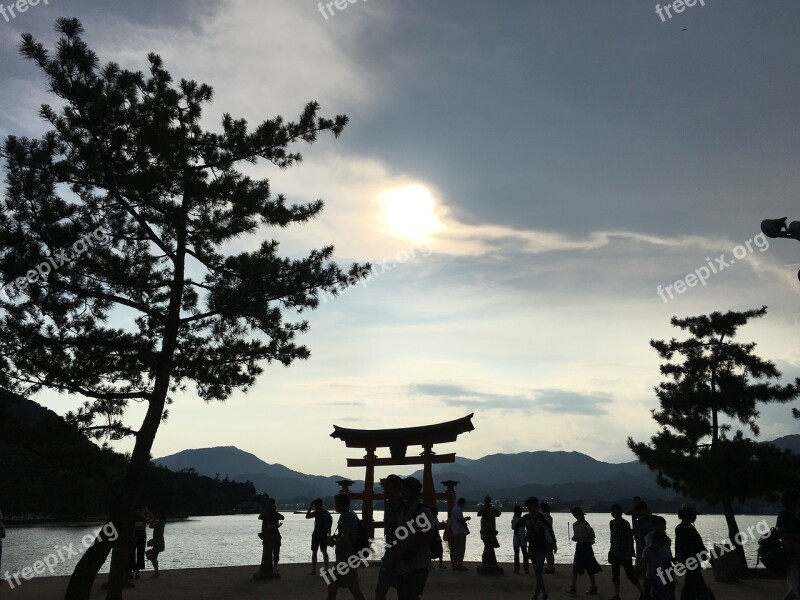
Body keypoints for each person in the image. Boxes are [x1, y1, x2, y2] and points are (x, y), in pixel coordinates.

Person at [394, 477, 434, 600]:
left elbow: (429, 535)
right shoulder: (403, 510)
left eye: (403, 489)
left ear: (411, 491)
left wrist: (413, 550)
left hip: (418, 562)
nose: (401, 492)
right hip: (403, 560)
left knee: (409, 594)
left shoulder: (423, 511)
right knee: (402, 594)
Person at [326, 493, 367, 600]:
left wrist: (333, 543)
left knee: (354, 589)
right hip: (346, 558)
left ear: (340, 504)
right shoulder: (351, 514)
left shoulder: (345, 517)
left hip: (347, 559)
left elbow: (344, 539)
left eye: (335, 503)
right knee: (332, 586)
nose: (334, 506)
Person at [608, 503, 644, 600]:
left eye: (615, 511)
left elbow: (629, 538)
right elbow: (612, 538)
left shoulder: (625, 524)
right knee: (615, 574)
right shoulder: (612, 523)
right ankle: (617, 595)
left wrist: (629, 551)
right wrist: (610, 551)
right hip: (614, 551)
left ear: (620, 512)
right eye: (612, 512)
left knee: (630, 574)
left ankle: (642, 591)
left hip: (624, 552)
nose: (613, 513)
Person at [674, 503, 710, 600]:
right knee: (698, 586)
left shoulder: (690, 527)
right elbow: (679, 545)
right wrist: (680, 559)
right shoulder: (681, 528)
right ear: (687, 515)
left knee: (691, 587)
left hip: (694, 560)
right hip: (689, 561)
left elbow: (699, 544)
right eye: (694, 515)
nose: (695, 517)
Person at [376, 474, 403, 600]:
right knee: (380, 591)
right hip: (390, 551)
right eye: (384, 488)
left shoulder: (404, 508)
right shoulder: (388, 504)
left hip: (401, 554)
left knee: (405, 593)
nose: (384, 490)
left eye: (387, 488)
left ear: (397, 489)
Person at [568, 506, 601, 596]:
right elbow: (577, 536)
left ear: (580, 513)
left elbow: (592, 536)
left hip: (586, 546)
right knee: (576, 566)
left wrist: (580, 537)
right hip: (579, 546)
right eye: (573, 514)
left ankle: (593, 586)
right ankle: (573, 586)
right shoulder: (575, 524)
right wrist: (576, 538)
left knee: (589, 567)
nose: (574, 515)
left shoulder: (585, 524)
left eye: (576, 513)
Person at [524, 497, 552, 600]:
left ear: (536, 506)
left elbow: (549, 528)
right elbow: (516, 526)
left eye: (531, 505)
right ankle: (542, 594)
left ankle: (539, 594)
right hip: (532, 548)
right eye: (528, 506)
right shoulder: (526, 517)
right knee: (537, 573)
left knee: (538, 571)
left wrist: (552, 543)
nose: (529, 508)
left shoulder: (541, 517)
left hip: (541, 548)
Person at [777, 490, 800, 600]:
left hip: (796, 555)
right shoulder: (784, 516)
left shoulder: (797, 516)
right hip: (792, 556)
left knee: (795, 588)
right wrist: (794, 539)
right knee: (795, 589)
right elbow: (781, 534)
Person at [644, 515, 674, 600]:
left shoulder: (666, 538)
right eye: (661, 525)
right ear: (655, 526)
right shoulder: (649, 537)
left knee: (670, 585)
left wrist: (672, 559)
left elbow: (668, 552)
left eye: (664, 525)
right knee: (659, 587)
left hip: (667, 564)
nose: (664, 527)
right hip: (656, 565)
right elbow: (648, 553)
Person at [255, 498, 284, 578]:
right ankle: (274, 568)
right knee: (275, 552)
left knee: (270, 553)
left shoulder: (266, 514)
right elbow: (281, 517)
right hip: (274, 535)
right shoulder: (273, 514)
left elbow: (261, 517)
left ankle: (273, 568)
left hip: (269, 536)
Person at [306, 498, 333, 575]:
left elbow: (307, 516)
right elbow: (329, 526)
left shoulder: (317, 512)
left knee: (314, 551)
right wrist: (329, 535)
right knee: (324, 551)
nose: (314, 506)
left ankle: (314, 570)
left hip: (316, 533)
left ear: (318, 504)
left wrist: (310, 507)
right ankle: (326, 569)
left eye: (314, 505)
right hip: (324, 534)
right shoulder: (327, 513)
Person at [477, 495, 502, 573]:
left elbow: (479, 513)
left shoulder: (483, 510)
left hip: (486, 531)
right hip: (490, 531)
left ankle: (487, 562)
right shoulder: (491, 510)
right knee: (489, 546)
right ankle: (489, 562)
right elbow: (498, 513)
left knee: (488, 546)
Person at [450, 497, 470, 571]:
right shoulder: (458, 510)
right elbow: (460, 520)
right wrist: (466, 518)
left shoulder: (454, 509)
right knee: (461, 548)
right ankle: (460, 564)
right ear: (462, 503)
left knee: (456, 548)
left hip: (455, 531)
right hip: (460, 531)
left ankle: (455, 563)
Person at [146, 508, 166, 578]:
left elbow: (158, 531)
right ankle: (156, 572)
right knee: (153, 556)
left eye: (159, 513)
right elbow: (150, 526)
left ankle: (156, 572)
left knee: (153, 556)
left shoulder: (162, 522)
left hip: (158, 541)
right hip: (156, 541)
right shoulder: (159, 521)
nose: (157, 514)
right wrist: (153, 518)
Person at [129, 506, 147, 579]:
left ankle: (137, 572)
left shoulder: (143, 517)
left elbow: (150, 518)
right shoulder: (135, 518)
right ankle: (131, 572)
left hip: (141, 535)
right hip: (136, 534)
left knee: (140, 553)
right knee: (132, 553)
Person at [511, 505, 529, 574]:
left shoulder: (514, 520)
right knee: (525, 554)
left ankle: (517, 569)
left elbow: (512, 527)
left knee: (516, 554)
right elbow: (527, 528)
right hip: (523, 537)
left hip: (516, 538)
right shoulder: (523, 520)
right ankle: (526, 569)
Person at [541, 501, 557, 574]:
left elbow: (547, 528)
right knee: (549, 553)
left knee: (548, 553)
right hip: (549, 537)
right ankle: (550, 567)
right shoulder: (549, 517)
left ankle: (550, 568)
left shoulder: (545, 517)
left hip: (546, 537)